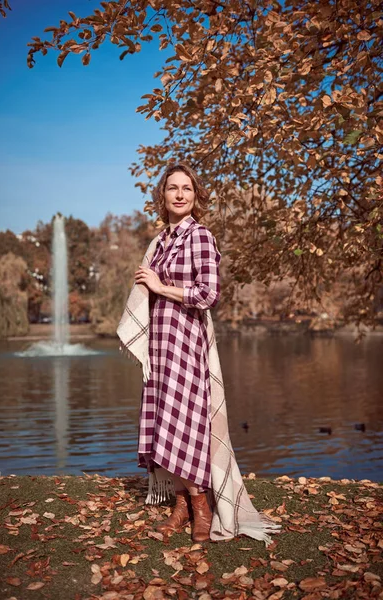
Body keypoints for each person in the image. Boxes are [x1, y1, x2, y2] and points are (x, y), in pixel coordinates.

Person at [117, 163, 280, 544]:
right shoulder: (159, 242)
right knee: (166, 424)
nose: (179, 194)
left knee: (186, 422)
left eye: (186, 188)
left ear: (195, 195)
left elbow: (208, 294)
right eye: (172, 188)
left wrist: (161, 286)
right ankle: (180, 506)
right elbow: (147, 291)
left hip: (186, 343)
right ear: (163, 196)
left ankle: (201, 506)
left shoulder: (201, 237)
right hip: (159, 342)